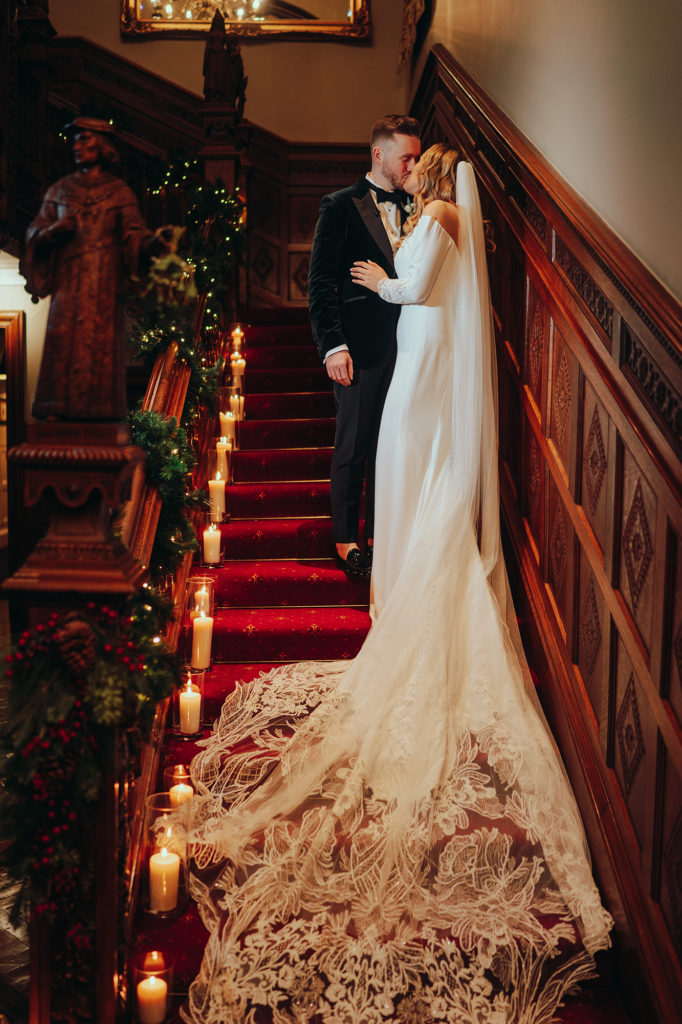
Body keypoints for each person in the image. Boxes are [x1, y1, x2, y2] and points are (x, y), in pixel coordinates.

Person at [183, 145, 613, 1024]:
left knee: (406, 461)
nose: (413, 173)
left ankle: (416, 580)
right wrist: (381, 281)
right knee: (396, 467)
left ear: (436, 177)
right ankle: (400, 565)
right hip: (417, 357)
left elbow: (411, 288)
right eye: (409, 162)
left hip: (420, 357)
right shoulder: (424, 213)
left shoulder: (442, 218)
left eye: (423, 166)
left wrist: (384, 276)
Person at [307, 115, 421, 578]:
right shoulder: (339, 206)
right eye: (405, 157)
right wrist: (333, 346)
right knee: (354, 446)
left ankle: (381, 535)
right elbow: (318, 285)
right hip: (362, 346)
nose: (412, 165)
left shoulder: (424, 206)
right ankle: (346, 540)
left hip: (415, 348)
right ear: (378, 154)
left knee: (393, 446)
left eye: (416, 156)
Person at [22, 117, 159, 421]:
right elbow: (34, 231)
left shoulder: (119, 192)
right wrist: (51, 232)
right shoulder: (59, 191)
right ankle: (57, 408)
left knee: (98, 343)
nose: (77, 146)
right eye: (74, 140)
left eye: (85, 139)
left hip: (103, 282)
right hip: (69, 284)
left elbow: (134, 234)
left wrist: (151, 244)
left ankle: (100, 413)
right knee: (64, 339)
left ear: (103, 145)